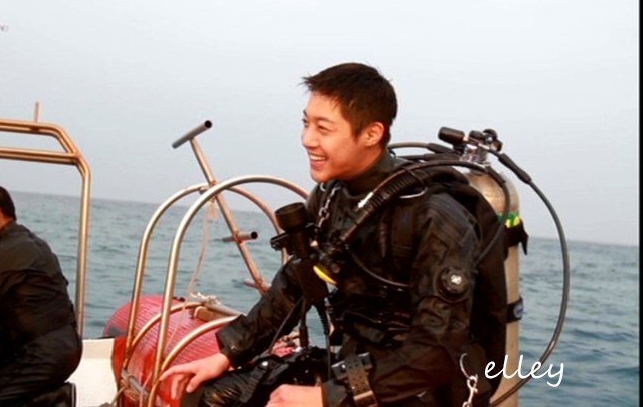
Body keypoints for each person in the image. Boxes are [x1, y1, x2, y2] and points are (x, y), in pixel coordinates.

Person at [160, 62, 495, 406]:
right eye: (306, 123)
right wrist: (228, 352)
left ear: (371, 133)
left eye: (323, 128)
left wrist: (326, 397)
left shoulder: (435, 216)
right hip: (355, 367)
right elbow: (298, 283)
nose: (307, 139)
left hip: (423, 389)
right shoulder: (331, 197)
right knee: (207, 398)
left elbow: (437, 350)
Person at [0, 183, 82, 406]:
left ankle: (56, 400)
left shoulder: (8, 253)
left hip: (43, 356)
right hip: (63, 348)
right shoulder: (30, 243)